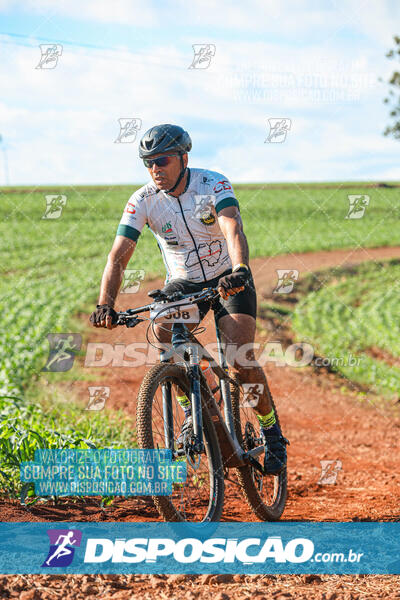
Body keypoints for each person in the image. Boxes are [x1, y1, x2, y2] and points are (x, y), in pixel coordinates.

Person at [90, 124, 287, 475]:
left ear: (183, 158)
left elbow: (232, 227)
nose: (155, 169)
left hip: (228, 278)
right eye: (148, 163)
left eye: (162, 160)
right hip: (184, 282)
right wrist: (105, 303)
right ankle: (191, 408)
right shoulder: (143, 199)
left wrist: (239, 268)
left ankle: (271, 431)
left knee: (239, 356)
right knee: (165, 332)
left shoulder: (213, 184)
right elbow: (118, 254)